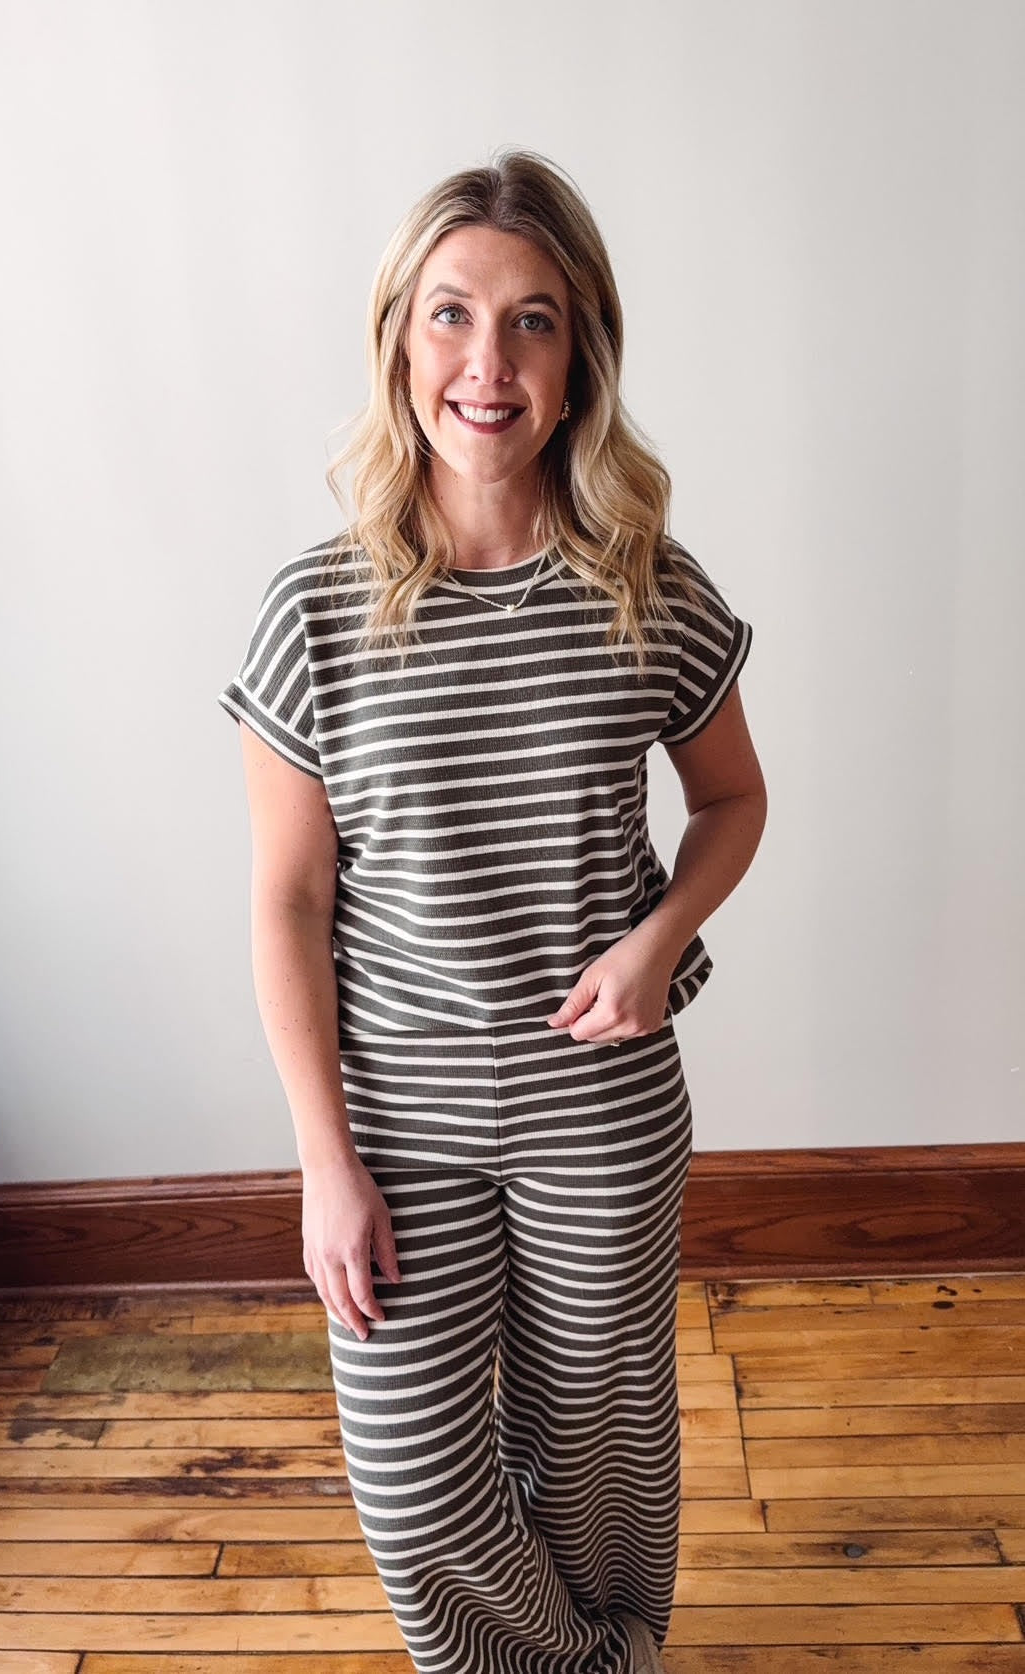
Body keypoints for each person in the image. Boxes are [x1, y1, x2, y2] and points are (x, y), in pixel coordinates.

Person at [218, 148, 766, 1674]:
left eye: (532, 320)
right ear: (398, 336)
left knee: (595, 1461)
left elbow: (734, 802)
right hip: (395, 1123)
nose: (487, 361)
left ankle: (618, 1646)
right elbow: (283, 901)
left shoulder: (647, 589)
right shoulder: (311, 612)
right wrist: (324, 1165)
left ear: (580, 350)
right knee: (416, 1483)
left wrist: (659, 941)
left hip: (596, 1112)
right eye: (451, 313)